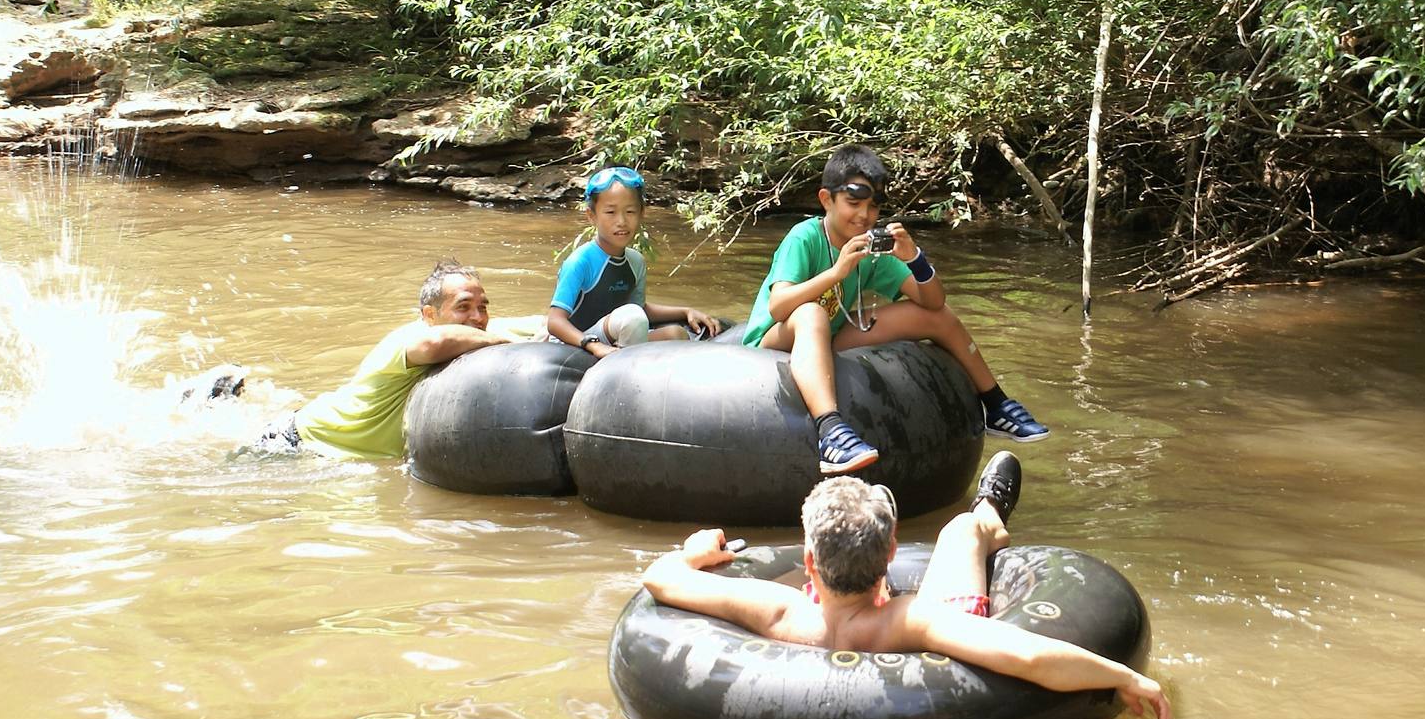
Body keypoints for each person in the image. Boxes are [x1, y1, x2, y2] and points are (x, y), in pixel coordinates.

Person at [639, 452, 1171, 719]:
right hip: (898, 630)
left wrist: (694, 552)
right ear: (892, 554)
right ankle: (988, 513)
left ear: (807, 562)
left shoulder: (777, 610)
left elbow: (660, 579)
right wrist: (1122, 674)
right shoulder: (913, 617)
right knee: (959, 532)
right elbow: (1027, 656)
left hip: (830, 622)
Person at [739, 143, 1048, 474]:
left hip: (826, 335)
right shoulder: (804, 237)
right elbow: (779, 304)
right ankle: (830, 431)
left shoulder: (871, 250)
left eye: (872, 207)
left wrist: (914, 258)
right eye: (853, 203)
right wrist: (837, 272)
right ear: (826, 200)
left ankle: (996, 403)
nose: (864, 215)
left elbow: (933, 302)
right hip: (773, 341)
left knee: (932, 317)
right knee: (812, 312)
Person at [257, 261, 535, 459]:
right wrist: (504, 344)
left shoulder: (479, 330)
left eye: (482, 307)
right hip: (296, 444)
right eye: (463, 307)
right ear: (429, 315)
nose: (478, 317)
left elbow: (544, 323)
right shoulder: (409, 339)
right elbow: (437, 342)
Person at [547, 165, 719, 358]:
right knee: (631, 317)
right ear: (591, 216)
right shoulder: (580, 261)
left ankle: (627, 359)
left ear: (641, 213)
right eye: (610, 212)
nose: (621, 221)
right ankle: (625, 367)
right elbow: (555, 322)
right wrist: (593, 346)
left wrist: (685, 311)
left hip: (614, 335)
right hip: (578, 342)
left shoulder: (635, 261)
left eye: (630, 211)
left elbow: (640, 308)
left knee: (676, 334)